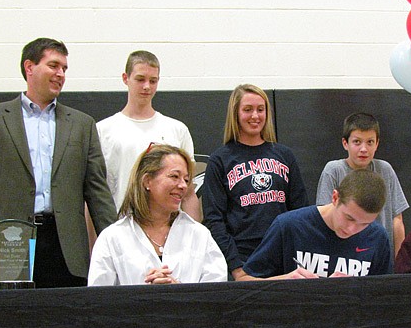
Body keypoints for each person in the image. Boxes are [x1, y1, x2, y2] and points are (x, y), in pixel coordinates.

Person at [0, 37, 117, 289]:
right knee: (7, 324)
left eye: (64, 68)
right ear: (29, 67)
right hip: (7, 245)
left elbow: (98, 194)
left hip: (64, 249)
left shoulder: (82, 125)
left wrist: (121, 250)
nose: (60, 73)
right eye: (53, 65)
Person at [201, 83, 309, 279]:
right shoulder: (220, 160)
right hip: (243, 258)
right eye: (247, 110)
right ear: (235, 113)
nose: (255, 116)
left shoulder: (284, 155)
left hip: (283, 255)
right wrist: (235, 267)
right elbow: (214, 220)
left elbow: (300, 211)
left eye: (261, 109)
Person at [88, 144, 226, 286]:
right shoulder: (112, 238)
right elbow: (98, 300)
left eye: (186, 179)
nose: (183, 185)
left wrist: (179, 292)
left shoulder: (199, 235)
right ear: (147, 180)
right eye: (174, 176)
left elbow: (215, 294)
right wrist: (146, 295)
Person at [96, 50, 200, 220]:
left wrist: (196, 238)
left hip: (169, 233)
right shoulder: (103, 131)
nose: (147, 86)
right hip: (121, 228)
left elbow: (188, 194)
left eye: (153, 81)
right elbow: (95, 196)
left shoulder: (177, 130)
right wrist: (95, 245)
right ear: (125, 78)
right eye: (140, 79)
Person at [236, 169, 392, 280]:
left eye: (364, 224)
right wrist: (284, 281)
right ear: (335, 197)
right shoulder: (289, 226)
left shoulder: (377, 238)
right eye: (349, 218)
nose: (352, 229)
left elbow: (384, 298)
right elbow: (244, 281)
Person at [316, 112, 409, 258]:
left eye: (370, 142)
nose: (364, 149)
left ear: (377, 143)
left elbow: (397, 220)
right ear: (345, 143)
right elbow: (324, 217)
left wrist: (401, 260)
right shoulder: (333, 170)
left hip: (380, 255)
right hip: (344, 256)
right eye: (357, 142)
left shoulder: (385, 169)